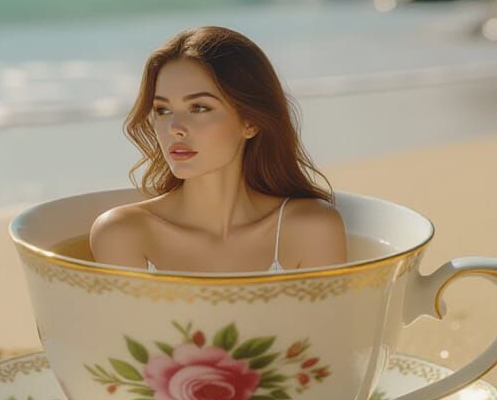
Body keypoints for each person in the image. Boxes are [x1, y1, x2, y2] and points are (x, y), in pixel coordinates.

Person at [89, 26, 347, 273]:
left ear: (250, 122)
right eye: (163, 110)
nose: (174, 128)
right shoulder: (122, 234)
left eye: (199, 108)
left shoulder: (312, 229)